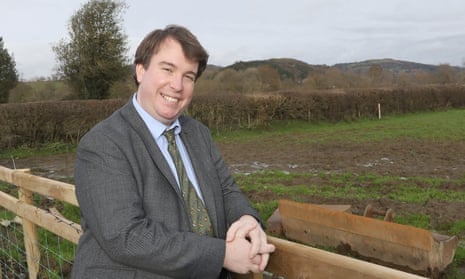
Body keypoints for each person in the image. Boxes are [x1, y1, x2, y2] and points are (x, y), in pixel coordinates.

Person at [71, 24, 275, 279]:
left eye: (188, 76)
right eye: (167, 69)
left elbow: (226, 190)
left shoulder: (198, 133)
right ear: (141, 70)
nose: (177, 85)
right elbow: (126, 236)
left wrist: (247, 218)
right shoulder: (103, 143)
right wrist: (221, 254)